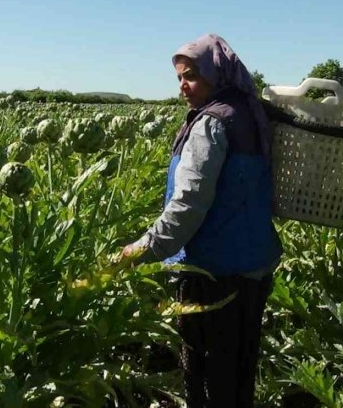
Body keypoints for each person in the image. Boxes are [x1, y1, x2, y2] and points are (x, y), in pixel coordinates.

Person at [121, 34, 282, 407]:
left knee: (206, 381)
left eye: (191, 76)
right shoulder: (250, 113)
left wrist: (140, 251)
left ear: (216, 74)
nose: (182, 85)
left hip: (211, 275)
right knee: (238, 376)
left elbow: (188, 206)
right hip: (252, 270)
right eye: (179, 77)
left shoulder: (212, 123)